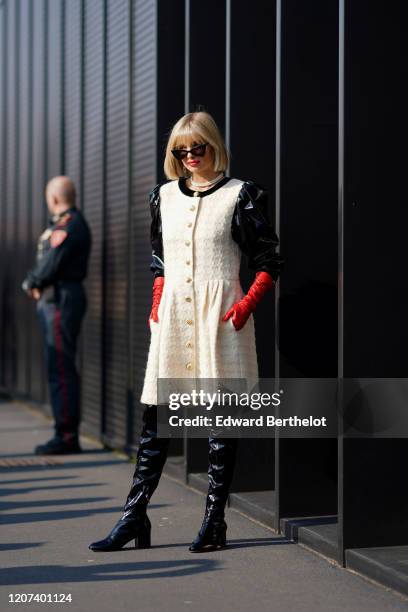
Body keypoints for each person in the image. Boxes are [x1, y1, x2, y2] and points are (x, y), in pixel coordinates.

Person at [89, 111, 284, 553]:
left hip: (221, 317)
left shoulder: (242, 194)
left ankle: (214, 522)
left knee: (218, 425)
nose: (191, 156)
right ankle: (133, 517)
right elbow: (159, 261)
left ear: (214, 146)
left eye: (200, 147)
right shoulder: (162, 197)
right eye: (182, 150)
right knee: (155, 423)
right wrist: (156, 305)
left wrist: (246, 306)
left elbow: (270, 259)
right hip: (174, 319)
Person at [22, 176, 91, 455]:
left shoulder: (68, 225)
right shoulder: (65, 223)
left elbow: (50, 263)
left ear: (52, 199)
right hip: (57, 299)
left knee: (60, 367)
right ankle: (64, 432)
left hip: (61, 300)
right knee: (58, 365)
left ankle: (66, 436)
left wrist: (30, 282)